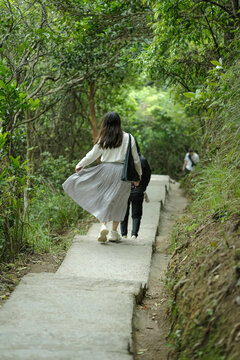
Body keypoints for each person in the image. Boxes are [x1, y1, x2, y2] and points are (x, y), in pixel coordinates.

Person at [62, 111, 142, 243]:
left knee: (103, 199)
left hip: (105, 170)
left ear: (106, 123)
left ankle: (103, 225)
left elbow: (92, 154)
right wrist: (138, 176)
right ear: (119, 122)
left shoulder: (104, 138)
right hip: (122, 173)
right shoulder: (129, 137)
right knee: (120, 202)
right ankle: (114, 233)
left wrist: (80, 164)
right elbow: (136, 160)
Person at [120, 142, 151, 239]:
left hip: (124, 190)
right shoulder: (143, 160)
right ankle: (134, 234)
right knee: (136, 214)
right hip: (138, 191)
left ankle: (124, 234)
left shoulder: (124, 160)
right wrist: (142, 187)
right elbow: (148, 175)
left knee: (124, 213)